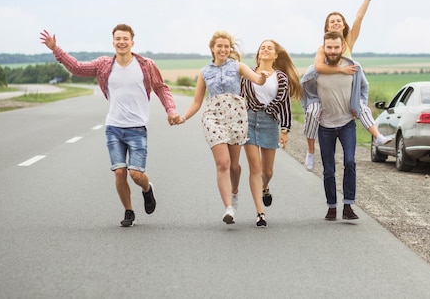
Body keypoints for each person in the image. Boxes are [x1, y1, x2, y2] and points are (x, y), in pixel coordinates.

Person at [39, 24, 179, 228]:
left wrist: (171, 110)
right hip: (113, 127)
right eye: (118, 39)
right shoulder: (104, 64)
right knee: (120, 172)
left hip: (137, 127)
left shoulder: (146, 65)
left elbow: (160, 88)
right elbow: (77, 67)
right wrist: (55, 49)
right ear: (113, 42)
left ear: (132, 42)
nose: (121, 42)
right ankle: (129, 211)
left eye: (125, 39)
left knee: (136, 174)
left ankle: (147, 189)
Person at [174, 31, 269, 226]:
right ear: (213, 49)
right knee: (223, 163)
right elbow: (197, 101)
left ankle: (234, 191)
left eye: (227, 46)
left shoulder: (238, 67)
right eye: (220, 46)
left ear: (230, 49)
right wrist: (183, 117)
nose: (223, 49)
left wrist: (263, 78)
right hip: (213, 117)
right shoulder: (204, 72)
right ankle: (229, 208)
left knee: (234, 165)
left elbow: (257, 80)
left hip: (236, 117)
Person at [304, 0, 389, 171]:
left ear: (343, 25)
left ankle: (377, 135)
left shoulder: (348, 42)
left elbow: (359, 18)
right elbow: (319, 66)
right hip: (325, 93)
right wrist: (341, 71)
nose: (335, 23)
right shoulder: (323, 48)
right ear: (327, 26)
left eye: (339, 20)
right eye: (332, 21)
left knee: (361, 107)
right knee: (311, 113)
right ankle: (310, 151)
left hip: (345, 92)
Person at [301, 30, 369, 221]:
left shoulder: (353, 67)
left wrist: (359, 104)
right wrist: (311, 106)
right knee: (329, 168)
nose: (332, 51)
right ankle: (332, 206)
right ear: (324, 48)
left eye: (336, 47)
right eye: (329, 47)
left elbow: (364, 87)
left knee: (350, 161)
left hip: (347, 123)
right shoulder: (316, 70)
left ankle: (348, 205)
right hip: (325, 126)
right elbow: (305, 88)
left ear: (342, 48)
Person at [240, 39, 303, 228]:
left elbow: (285, 106)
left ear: (276, 55)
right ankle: (260, 213)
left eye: (269, 48)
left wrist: (285, 130)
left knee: (267, 172)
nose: (265, 50)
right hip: (249, 121)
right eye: (262, 47)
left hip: (270, 123)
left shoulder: (281, 78)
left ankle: (265, 187)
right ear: (258, 53)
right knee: (255, 169)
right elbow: (240, 97)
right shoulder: (247, 74)